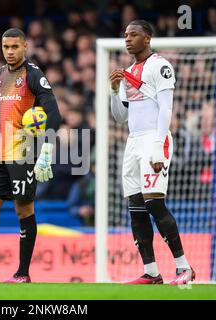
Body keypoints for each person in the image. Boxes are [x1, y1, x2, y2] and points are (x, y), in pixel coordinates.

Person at [0, 28, 61, 283]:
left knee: (23, 210)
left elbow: (54, 114)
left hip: (24, 152)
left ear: (25, 47)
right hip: (0, 153)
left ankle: (22, 273)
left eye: (14, 47)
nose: (10, 52)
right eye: (6, 47)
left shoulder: (33, 75)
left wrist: (46, 151)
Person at [109, 20, 195, 285]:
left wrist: (158, 145)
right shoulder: (129, 72)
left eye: (134, 34)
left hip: (154, 141)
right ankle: (151, 272)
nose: (128, 39)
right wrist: (114, 91)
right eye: (125, 35)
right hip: (133, 142)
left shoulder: (160, 65)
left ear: (147, 38)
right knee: (135, 208)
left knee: (154, 202)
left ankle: (184, 268)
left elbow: (166, 108)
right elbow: (120, 117)